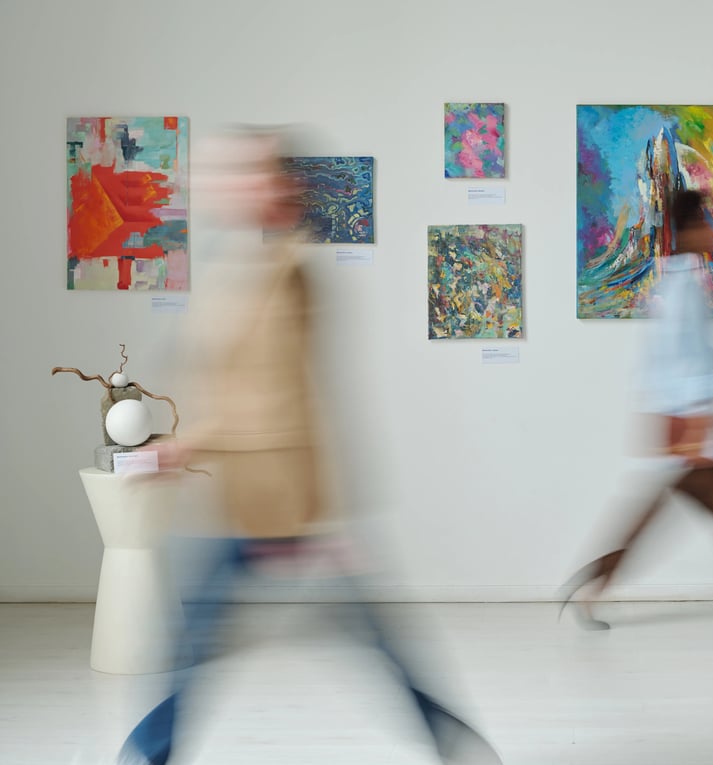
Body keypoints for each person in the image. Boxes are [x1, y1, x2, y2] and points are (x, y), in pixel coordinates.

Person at [117, 127, 499, 765]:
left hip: (282, 507)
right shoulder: (232, 266)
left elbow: (287, 401)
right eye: (227, 173)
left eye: (248, 173)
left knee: (353, 641)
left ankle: (451, 740)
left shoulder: (289, 273)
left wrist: (186, 448)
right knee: (198, 647)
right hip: (242, 503)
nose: (231, 185)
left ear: (276, 187)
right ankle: (451, 740)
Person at [560, 189, 713, 634]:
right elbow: (680, 359)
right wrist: (699, 422)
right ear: (687, 231)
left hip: (693, 424)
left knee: (666, 513)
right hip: (696, 427)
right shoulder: (683, 287)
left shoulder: (683, 283)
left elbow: (698, 353)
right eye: (706, 223)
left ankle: (594, 585)